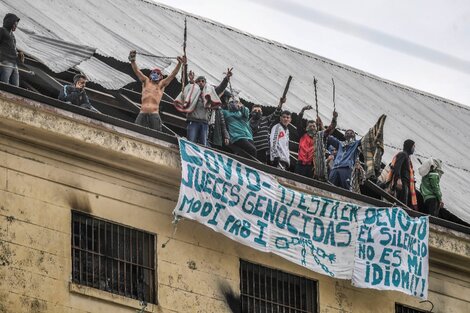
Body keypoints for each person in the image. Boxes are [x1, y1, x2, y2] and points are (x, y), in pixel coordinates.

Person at [129, 50, 185, 131]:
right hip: (142, 112)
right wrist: (132, 60)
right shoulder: (146, 81)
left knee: (156, 134)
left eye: (158, 74)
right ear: (151, 74)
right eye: (154, 72)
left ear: (161, 77)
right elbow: (137, 71)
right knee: (136, 131)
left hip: (154, 113)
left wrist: (179, 63)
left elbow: (173, 74)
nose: (156, 74)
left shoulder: (161, 85)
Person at [173, 75, 221, 146]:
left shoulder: (209, 93)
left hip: (204, 123)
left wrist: (226, 79)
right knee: (190, 142)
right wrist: (186, 69)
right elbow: (185, 85)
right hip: (193, 121)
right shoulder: (191, 92)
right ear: (196, 83)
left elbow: (220, 88)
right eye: (198, 81)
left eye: (202, 81)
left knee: (203, 145)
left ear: (205, 83)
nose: (200, 83)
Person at [295, 105, 337, 178]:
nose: (312, 128)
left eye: (314, 126)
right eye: (310, 126)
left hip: (312, 167)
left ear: (316, 128)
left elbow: (330, 129)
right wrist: (302, 110)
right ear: (307, 128)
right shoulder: (302, 134)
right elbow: (298, 123)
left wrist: (334, 118)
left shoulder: (319, 137)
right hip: (300, 165)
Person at [249, 97, 285, 163]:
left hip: (264, 149)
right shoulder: (248, 123)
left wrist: (280, 104)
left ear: (262, 113)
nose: (257, 112)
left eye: (259, 111)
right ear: (251, 112)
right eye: (255, 111)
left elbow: (275, 114)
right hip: (254, 150)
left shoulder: (265, 119)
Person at [388, 139, 418, 209]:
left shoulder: (407, 157)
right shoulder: (403, 154)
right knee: (401, 204)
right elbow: (397, 167)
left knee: (404, 203)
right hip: (402, 183)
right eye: (413, 146)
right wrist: (398, 179)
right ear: (409, 146)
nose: (414, 149)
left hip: (405, 184)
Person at [0, 13, 23, 86]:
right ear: (9, 23)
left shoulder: (12, 35)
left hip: (14, 63)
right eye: (14, 25)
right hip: (6, 61)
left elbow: (11, 47)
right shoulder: (2, 31)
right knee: (5, 83)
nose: (16, 27)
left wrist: (18, 53)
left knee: (15, 85)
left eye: (16, 25)